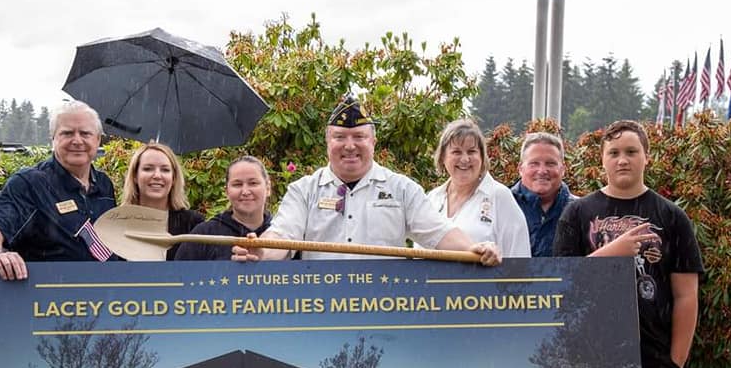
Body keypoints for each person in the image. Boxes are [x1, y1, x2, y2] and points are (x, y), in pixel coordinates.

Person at [553, 120, 703, 368]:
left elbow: (686, 295)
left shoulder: (672, 217)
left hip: (652, 360)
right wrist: (613, 252)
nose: (623, 159)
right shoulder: (577, 213)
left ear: (646, 156)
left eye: (632, 151)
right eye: (615, 152)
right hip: (588, 357)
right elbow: (562, 284)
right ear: (602, 159)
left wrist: (675, 362)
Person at [231, 94, 500, 266]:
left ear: (373, 142)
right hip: (321, 311)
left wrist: (475, 248)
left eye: (359, 137)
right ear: (328, 142)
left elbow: (439, 234)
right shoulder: (303, 191)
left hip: (383, 314)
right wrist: (261, 253)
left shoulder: (402, 189)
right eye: (340, 138)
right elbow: (282, 235)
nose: (350, 146)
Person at [0, 100, 116, 280]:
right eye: (67, 133)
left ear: (97, 140)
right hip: (48, 296)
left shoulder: (104, 184)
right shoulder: (29, 183)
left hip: (103, 293)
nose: (77, 140)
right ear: (53, 139)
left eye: (85, 133)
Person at [426, 119, 530, 257]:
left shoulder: (499, 196)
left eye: (471, 151)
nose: (464, 159)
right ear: (443, 157)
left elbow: (519, 259)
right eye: (456, 152)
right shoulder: (432, 199)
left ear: (482, 157)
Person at [175, 156, 273, 261]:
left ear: (268, 188)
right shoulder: (204, 236)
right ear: (227, 192)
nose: (245, 191)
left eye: (253, 183)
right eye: (237, 184)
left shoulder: (282, 233)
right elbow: (178, 275)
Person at [121, 142, 203, 260]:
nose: (157, 175)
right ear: (135, 176)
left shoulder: (193, 224)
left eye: (165, 170)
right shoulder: (117, 224)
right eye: (148, 169)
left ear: (174, 178)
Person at [511, 132, 578, 257]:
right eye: (534, 163)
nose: (542, 171)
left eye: (550, 164)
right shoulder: (502, 206)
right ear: (520, 168)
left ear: (563, 169)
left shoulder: (579, 211)